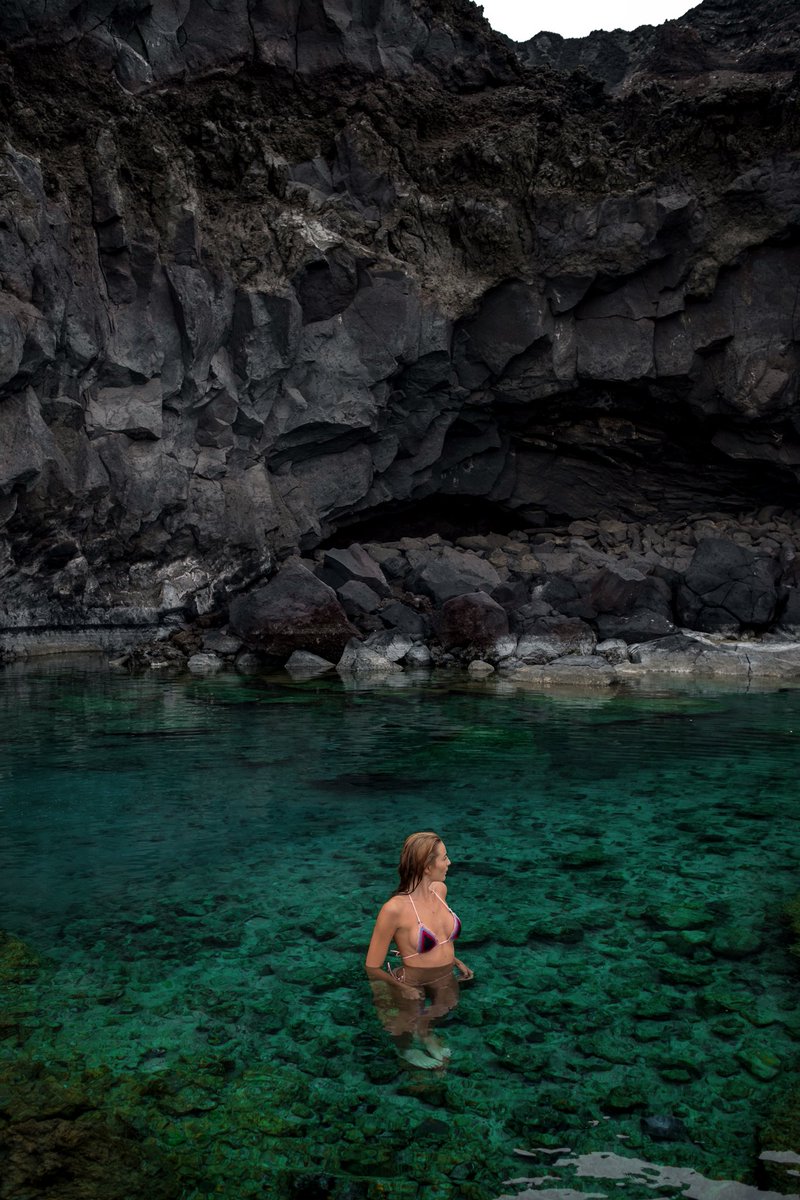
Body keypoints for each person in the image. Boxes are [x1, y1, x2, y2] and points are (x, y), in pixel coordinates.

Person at [365, 831, 473, 1068]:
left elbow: (442, 938)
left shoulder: (440, 891)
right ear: (426, 866)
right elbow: (372, 966)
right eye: (444, 858)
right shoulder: (394, 909)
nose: (449, 863)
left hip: (445, 974)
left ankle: (425, 1034)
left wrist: (456, 961)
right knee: (406, 1020)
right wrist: (401, 987)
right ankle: (405, 1050)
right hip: (412, 980)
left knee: (445, 1006)